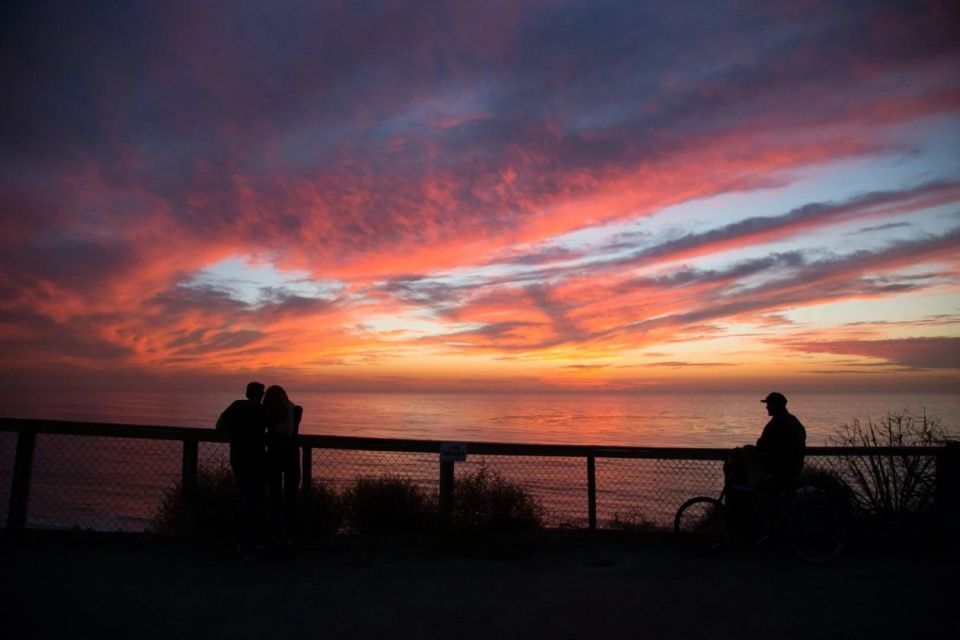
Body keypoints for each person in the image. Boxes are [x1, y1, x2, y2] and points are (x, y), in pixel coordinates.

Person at [216, 381, 268, 556]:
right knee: (257, 499)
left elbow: (219, 425)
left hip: (238, 458)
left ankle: (242, 541)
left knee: (244, 497)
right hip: (258, 459)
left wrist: (234, 431)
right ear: (261, 394)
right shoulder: (263, 411)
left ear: (247, 393)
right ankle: (254, 542)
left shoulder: (237, 406)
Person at [263, 385, 302, 546]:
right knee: (290, 496)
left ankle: (277, 535)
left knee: (275, 497)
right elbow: (290, 432)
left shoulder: (270, 413)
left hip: (274, 456)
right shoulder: (295, 410)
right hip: (291, 455)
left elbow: (284, 432)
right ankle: (289, 536)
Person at [755, 391, 806, 493]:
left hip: (779, 469)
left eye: (769, 404)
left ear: (775, 405)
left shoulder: (777, 423)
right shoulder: (793, 420)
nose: (767, 407)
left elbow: (765, 445)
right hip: (794, 467)